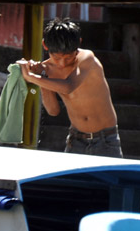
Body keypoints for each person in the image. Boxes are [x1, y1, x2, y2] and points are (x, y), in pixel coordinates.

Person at [17, 18, 123, 158]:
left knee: (111, 180)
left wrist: (30, 77)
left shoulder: (86, 58)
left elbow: (68, 87)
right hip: (75, 140)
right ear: (45, 45)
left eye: (68, 58)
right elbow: (53, 110)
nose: (62, 63)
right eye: (57, 57)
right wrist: (41, 76)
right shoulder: (46, 69)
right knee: (70, 180)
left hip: (105, 140)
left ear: (78, 43)